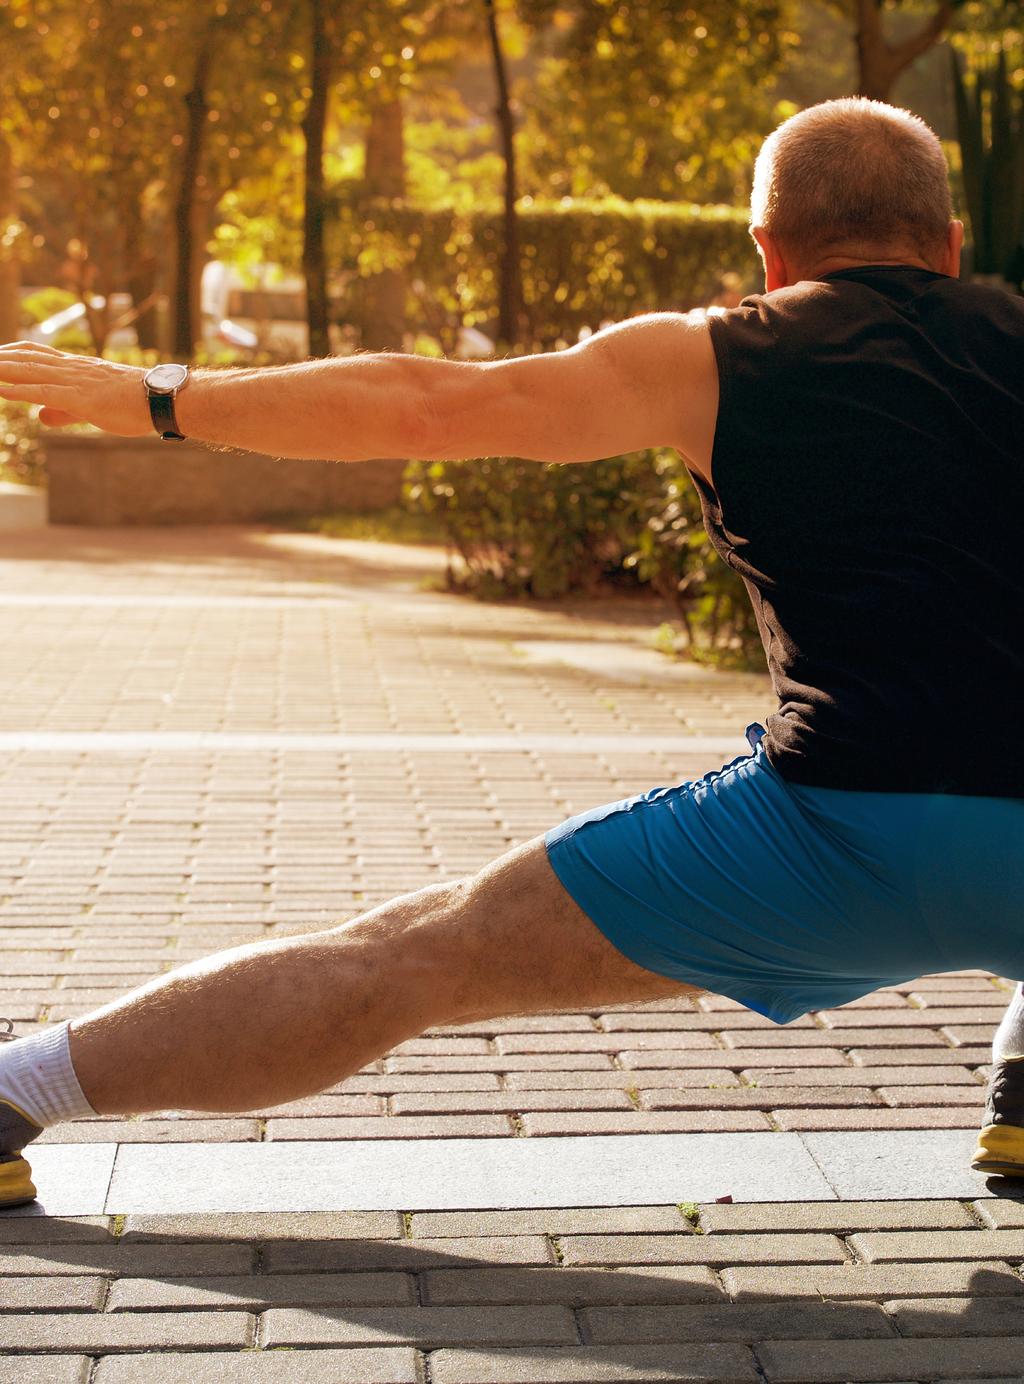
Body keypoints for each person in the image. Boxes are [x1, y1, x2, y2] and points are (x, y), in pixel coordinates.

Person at [0, 96, 1021, 1210]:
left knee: (408, 959)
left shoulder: (715, 354)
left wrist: (159, 396)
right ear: (951, 246)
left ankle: (17, 1090)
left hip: (827, 842)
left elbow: (430, 408)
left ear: (765, 255)